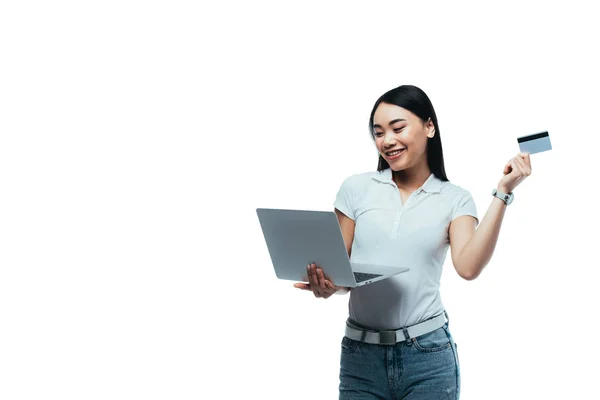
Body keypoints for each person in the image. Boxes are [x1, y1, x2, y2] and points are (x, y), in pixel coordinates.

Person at [293, 84, 532, 399]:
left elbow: (469, 266)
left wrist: (503, 191)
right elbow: (342, 276)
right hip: (359, 358)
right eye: (378, 132)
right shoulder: (355, 189)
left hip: (427, 357)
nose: (387, 140)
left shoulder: (454, 199)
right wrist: (327, 286)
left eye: (397, 128)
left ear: (429, 126)